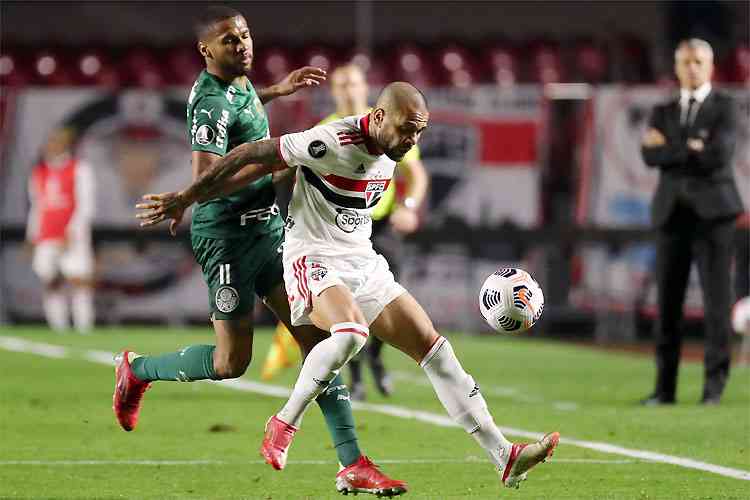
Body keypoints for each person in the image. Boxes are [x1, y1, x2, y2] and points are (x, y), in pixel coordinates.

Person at [136, 81, 559, 491]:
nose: (412, 138)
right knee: (351, 333)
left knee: (436, 350)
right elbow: (253, 153)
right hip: (312, 257)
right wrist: (187, 197)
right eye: (406, 128)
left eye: (419, 130)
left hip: (363, 260)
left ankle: (504, 455)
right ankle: (285, 421)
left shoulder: (394, 145)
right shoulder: (330, 141)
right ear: (378, 117)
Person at [116, 7, 406, 497]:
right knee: (233, 363)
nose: (243, 45)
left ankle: (352, 462)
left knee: (319, 343)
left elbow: (243, 107)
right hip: (226, 237)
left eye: (245, 35)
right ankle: (137, 370)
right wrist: (274, 168)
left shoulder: (239, 84)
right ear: (206, 51)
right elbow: (207, 178)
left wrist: (276, 91)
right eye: (229, 40)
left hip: (270, 232)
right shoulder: (209, 103)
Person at [261, 64, 430, 400]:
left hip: (379, 225)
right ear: (334, 92)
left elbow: (417, 173)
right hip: (335, 233)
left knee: (383, 297)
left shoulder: (396, 124)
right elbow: (288, 169)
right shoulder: (328, 131)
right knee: (347, 308)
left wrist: (409, 205)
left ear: (366, 87)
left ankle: (376, 360)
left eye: (354, 83)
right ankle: (355, 376)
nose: (349, 89)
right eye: (342, 85)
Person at [641, 38, 743, 406]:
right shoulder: (662, 110)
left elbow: (719, 155)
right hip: (672, 216)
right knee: (667, 306)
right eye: (685, 61)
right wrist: (692, 146)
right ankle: (663, 390)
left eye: (698, 61)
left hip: (715, 217)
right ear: (676, 66)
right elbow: (648, 155)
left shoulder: (726, 107)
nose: (692, 67)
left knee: (717, 305)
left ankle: (712, 390)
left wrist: (671, 149)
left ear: (711, 66)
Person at [27, 127, 96, 334]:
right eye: (51, 142)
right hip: (46, 236)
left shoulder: (79, 169)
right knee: (50, 281)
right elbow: (37, 205)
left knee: (79, 281)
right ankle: (59, 330)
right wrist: (32, 236)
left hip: (72, 235)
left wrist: (73, 230)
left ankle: (84, 329)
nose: (52, 146)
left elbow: (86, 204)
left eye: (57, 142)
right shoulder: (39, 172)